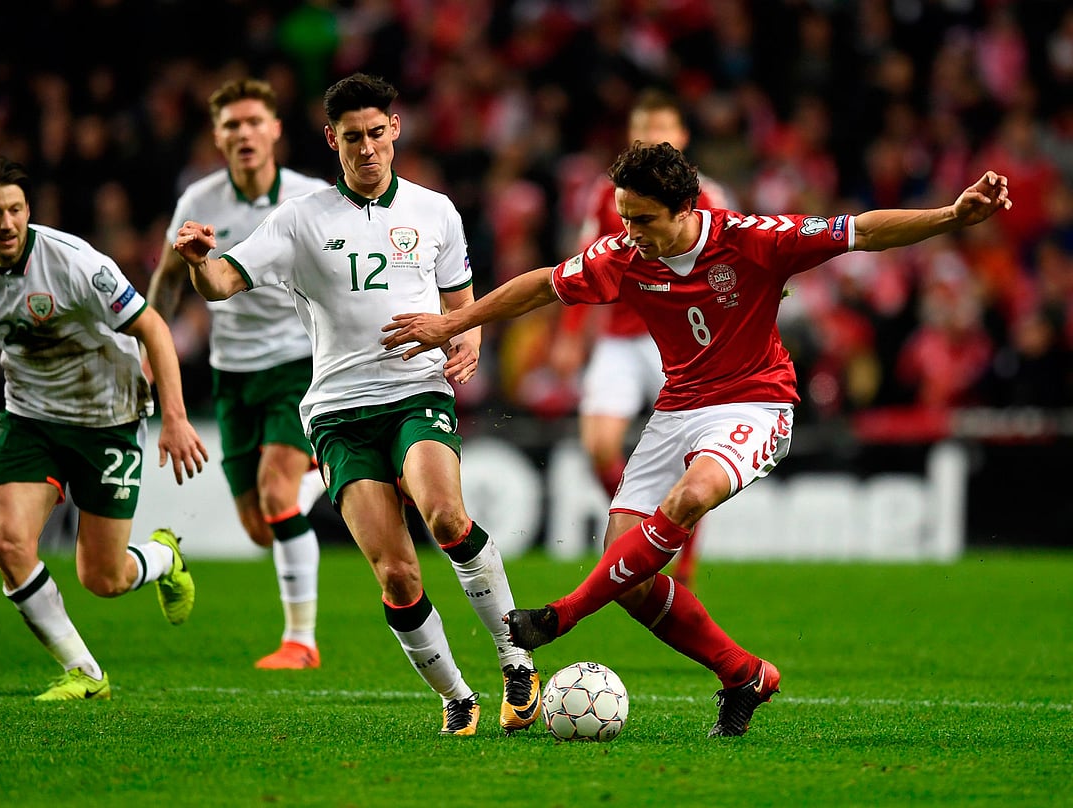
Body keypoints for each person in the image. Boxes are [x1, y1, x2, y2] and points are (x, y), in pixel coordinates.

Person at [382, 143, 1011, 737]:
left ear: (688, 210)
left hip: (756, 403)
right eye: (624, 217)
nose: (630, 232)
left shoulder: (754, 241)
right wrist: (455, 320)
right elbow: (544, 283)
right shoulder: (624, 255)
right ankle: (745, 674)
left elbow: (863, 231)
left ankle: (562, 615)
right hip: (678, 406)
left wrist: (952, 216)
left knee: (690, 496)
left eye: (644, 219)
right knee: (627, 574)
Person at [173, 73, 541, 736]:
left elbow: (464, 304)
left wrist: (470, 340)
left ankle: (516, 659)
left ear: (395, 130)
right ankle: (457, 694)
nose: (367, 148)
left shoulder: (436, 212)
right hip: (338, 413)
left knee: (447, 517)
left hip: (415, 392)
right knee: (397, 575)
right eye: (352, 138)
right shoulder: (297, 220)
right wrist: (201, 260)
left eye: (376, 133)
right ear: (330, 140)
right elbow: (224, 282)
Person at [0, 156, 208, 701]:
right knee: (7, 542)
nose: (7, 223)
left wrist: (174, 416)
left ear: (28, 210)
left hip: (108, 417)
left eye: (15, 209)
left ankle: (162, 558)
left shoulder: (75, 263)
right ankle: (85, 673)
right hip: (30, 417)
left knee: (103, 579)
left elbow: (152, 325)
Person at [149, 78, 330, 671]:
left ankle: (300, 642)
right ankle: (338, 469)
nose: (244, 133)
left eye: (255, 121)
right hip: (233, 373)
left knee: (278, 496)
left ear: (275, 129)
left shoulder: (311, 196)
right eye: (232, 125)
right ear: (218, 136)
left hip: (298, 361)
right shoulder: (199, 201)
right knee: (262, 527)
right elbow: (170, 280)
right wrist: (149, 350)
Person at [550, 88, 734, 589]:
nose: (653, 139)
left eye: (662, 130)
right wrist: (570, 333)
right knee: (598, 445)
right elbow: (582, 260)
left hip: (683, 340)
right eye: (644, 131)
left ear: (682, 137)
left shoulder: (709, 197)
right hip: (621, 338)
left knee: (693, 463)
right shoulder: (609, 195)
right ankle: (658, 526)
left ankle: (685, 559)